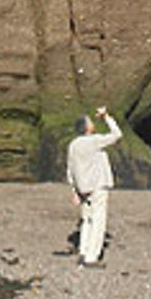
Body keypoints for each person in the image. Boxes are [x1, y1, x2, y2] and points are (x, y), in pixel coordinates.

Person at [66, 105, 122, 267]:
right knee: (98, 222)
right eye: (90, 121)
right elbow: (117, 135)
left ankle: (83, 252)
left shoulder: (73, 145)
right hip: (97, 186)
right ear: (87, 127)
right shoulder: (94, 141)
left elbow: (70, 170)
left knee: (86, 220)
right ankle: (92, 258)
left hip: (82, 188)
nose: (93, 123)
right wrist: (106, 117)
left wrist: (74, 191)